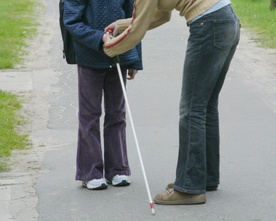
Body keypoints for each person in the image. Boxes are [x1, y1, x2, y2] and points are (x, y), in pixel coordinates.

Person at [103, 0, 240, 203]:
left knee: (192, 109)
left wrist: (110, 47)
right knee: (206, 106)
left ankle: (189, 188)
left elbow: (137, 32)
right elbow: (161, 15)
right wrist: (121, 25)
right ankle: (204, 177)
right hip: (226, 19)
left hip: (208, 24)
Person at [63, 0, 143, 190]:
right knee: (89, 115)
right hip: (89, 57)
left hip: (120, 57)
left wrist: (134, 60)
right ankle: (90, 172)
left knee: (117, 114)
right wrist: (100, 38)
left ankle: (118, 169)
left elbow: (135, 22)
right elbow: (72, 21)